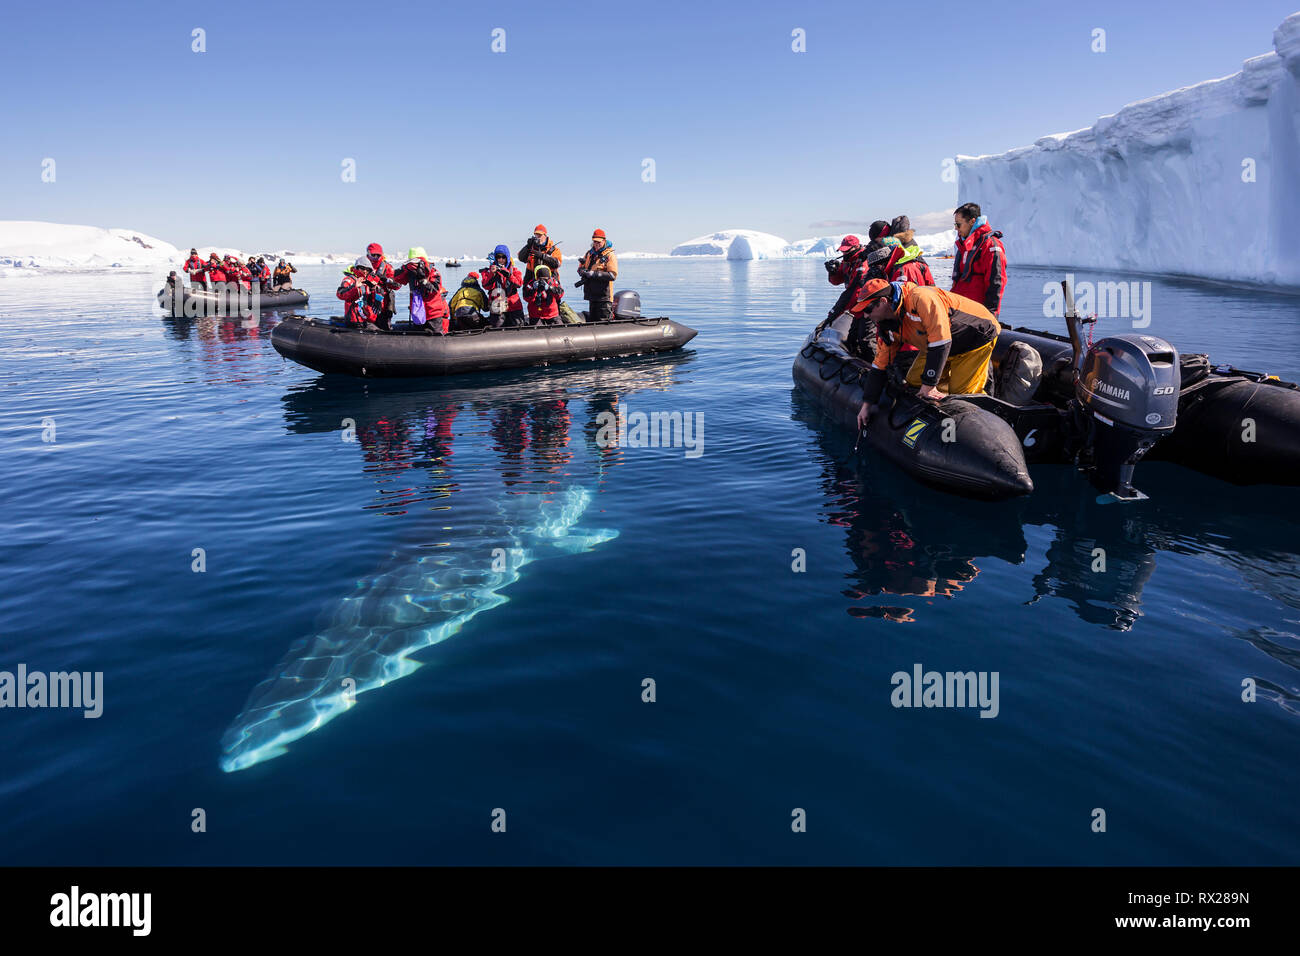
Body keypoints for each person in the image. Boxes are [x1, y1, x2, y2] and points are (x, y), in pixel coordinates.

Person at [850, 279, 1001, 430]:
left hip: (973, 338)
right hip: (939, 345)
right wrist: (867, 404)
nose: (865, 316)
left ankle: (982, 419)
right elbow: (880, 365)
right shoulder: (888, 325)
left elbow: (941, 341)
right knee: (914, 381)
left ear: (883, 301)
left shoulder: (921, 298)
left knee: (962, 397)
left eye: (868, 310)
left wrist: (929, 385)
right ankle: (940, 404)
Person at [951, 202, 1007, 315]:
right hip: (960, 310)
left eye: (958, 224)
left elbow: (996, 282)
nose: (956, 228)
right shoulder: (965, 246)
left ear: (972, 221)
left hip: (976, 314)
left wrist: (990, 315)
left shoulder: (990, 245)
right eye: (955, 225)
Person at [392, 247, 450, 333]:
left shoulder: (433, 272)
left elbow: (434, 290)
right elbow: (396, 279)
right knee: (419, 336)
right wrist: (405, 268)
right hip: (418, 313)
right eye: (412, 262)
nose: (415, 265)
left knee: (436, 337)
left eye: (417, 262)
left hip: (433, 314)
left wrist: (423, 279)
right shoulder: (410, 273)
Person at [577, 229, 619, 323]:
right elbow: (580, 268)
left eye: (598, 242)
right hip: (592, 296)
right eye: (594, 241)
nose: (596, 244)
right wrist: (582, 271)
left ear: (604, 241)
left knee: (603, 323)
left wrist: (593, 274)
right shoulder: (589, 254)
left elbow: (612, 275)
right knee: (592, 322)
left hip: (604, 297)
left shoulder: (610, 255)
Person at [480, 245, 525, 327]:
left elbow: (519, 284)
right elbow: (485, 286)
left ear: (507, 257)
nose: (501, 260)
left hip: (513, 306)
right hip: (497, 307)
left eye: (503, 257)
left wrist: (509, 275)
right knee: (497, 331)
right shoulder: (489, 271)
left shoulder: (514, 271)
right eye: (498, 257)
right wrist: (492, 274)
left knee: (518, 329)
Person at [336, 257, 387, 331]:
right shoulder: (350, 280)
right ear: (357, 267)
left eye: (368, 269)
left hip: (366, 320)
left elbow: (372, 301)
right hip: (355, 321)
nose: (365, 271)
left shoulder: (369, 281)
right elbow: (340, 294)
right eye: (362, 268)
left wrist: (374, 290)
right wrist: (355, 288)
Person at [365, 242, 400, 327]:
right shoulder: (363, 266)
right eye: (373, 255)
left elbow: (398, 285)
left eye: (378, 255)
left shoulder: (388, 268)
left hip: (384, 305)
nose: (376, 257)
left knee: (384, 325)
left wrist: (387, 280)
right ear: (368, 254)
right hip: (368, 304)